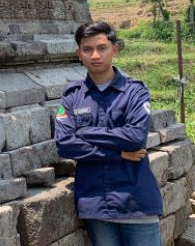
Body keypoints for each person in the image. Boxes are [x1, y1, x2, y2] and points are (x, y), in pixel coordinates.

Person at [55, 21, 163, 246]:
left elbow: (135, 138)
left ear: (115, 49)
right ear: (79, 54)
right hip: (96, 204)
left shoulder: (135, 92)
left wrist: (85, 131)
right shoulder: (72, 97)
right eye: (87, 49)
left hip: (136, 201)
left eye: (102, 47)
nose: (95, 55)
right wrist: (118, 154)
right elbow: (65, 144)